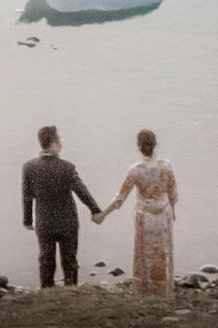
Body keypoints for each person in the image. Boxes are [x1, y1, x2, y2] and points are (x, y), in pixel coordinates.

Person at [98, 128, 178, 295]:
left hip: (145, 217)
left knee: (144, 254)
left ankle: (145, 289)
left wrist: (102, 214)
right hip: (163, 215)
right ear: (155, 145)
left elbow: (120, 198)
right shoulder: (166, 166)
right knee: (163, 252)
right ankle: (164, 288)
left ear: (139, 147)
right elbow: (173, 193)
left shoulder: (135, 170)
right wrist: (173, 210)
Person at [21, 125, 101, 288]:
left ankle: (47, 291)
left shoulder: (29, 167)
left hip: (44, 222)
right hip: (67, 221)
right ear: (54, 144)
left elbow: (27, 195)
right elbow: (81, 191)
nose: (61, 143)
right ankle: (71, 291)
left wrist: (27, 220)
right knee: (70, 261)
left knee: (46, 259)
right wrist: (95, 210)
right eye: (60, 140)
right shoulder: (67, 167)